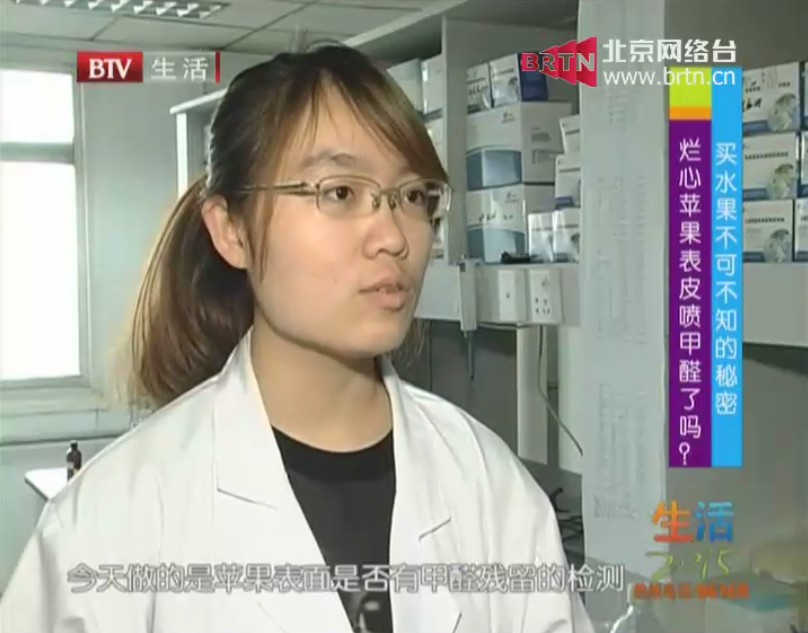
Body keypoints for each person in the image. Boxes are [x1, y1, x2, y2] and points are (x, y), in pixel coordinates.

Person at [0, 45, 595, 633]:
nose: (393, 236)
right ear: (231, 231)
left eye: (413, 195)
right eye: (339, 193)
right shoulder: (111, 521)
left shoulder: (491, 488)